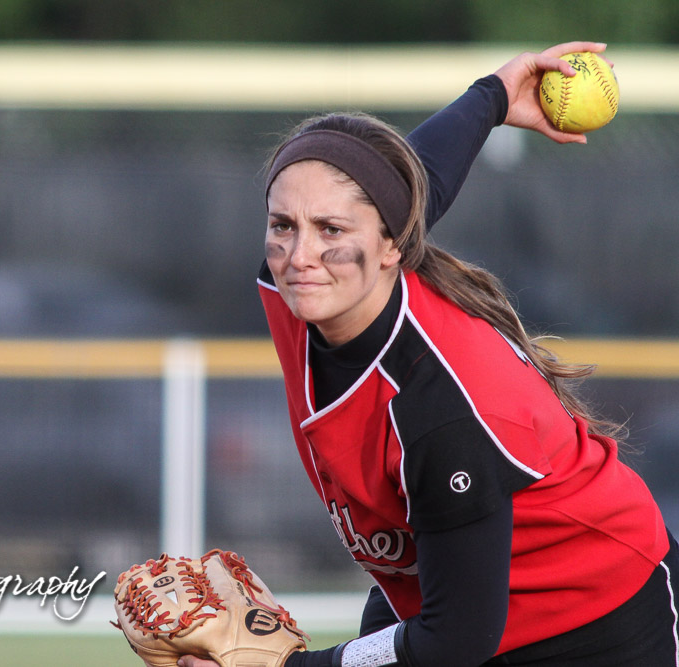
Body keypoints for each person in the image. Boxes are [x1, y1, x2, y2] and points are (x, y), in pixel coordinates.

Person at [178, 41, 679, 667]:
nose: (299, 255)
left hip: (598, 619)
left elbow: (455, 640)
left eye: (330, 230)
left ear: (393, 245)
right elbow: (410, 182)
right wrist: (493, 98)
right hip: (450, 587)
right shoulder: (305, 289)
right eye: (283, 225)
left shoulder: (439, 404)